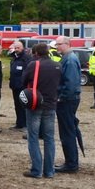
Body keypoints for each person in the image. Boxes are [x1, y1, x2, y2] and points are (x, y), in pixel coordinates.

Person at [21, 43, 61, 179]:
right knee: (49, 138)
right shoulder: (57, 65)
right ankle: (49, 171)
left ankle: (36, 170)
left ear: (36, 53)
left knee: (33, 137)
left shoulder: (34, 65)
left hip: (36, 104)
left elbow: (24, 80)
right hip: (51, 105)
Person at [55, 37, 82, 174]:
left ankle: (71, 164)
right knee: (67, 131)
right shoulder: (68, 58)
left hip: (67, 100)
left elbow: (70, 84)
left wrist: (61, 98)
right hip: (68, 99)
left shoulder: (70, 60)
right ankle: (70, 161)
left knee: (67, 132)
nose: (56, 47)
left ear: (66, 44)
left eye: (58, 44)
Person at [7, 41, 32, 130]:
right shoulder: (14, 58)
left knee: (24, 105)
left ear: (23, 48)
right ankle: (19, 123)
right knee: (17, 105)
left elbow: (28, 72)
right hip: (15, 86)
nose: (17, 49)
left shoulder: (26, 58)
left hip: (23, 86)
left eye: (18, 48)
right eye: (15, 48)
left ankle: (25, 124)